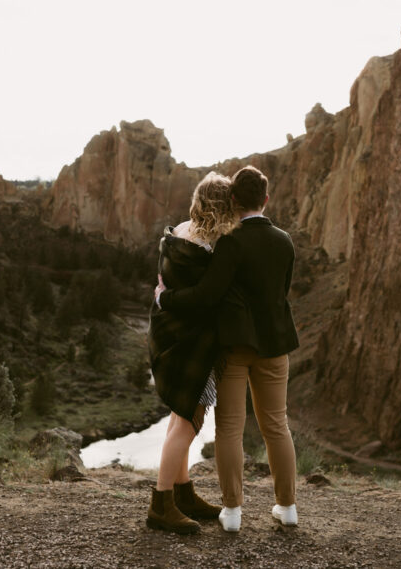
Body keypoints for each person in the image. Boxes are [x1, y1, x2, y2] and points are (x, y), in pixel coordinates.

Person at [156, 165, 300, 533]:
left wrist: (165, 298)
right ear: (266, 199)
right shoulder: (285, 240)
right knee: (277, 427)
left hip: (236, 346)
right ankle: (287, 507)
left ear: (234, 200)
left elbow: (208, 295)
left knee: (230, 429)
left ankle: (232, 513)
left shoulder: (231, 242)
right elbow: (281, 292)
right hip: (276, 345)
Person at [146, 172, 237, 534]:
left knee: (178, 417)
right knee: (188, 423)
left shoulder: (180, 231)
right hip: (190, 345)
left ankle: (183, 493)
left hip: (166, 337)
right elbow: (206, 300)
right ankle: (161, 503)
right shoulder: (213, 248)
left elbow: (165, 287)